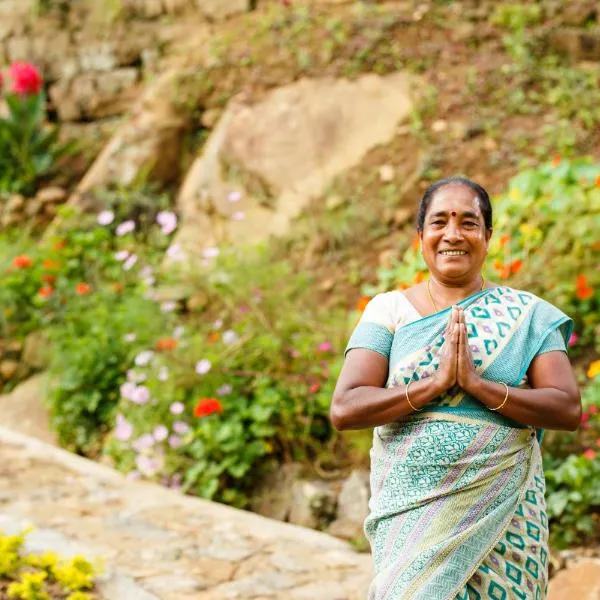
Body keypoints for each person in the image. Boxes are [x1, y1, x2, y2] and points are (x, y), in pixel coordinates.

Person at [330, 176, 581, 600]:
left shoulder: (528, 315)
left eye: (468, 222)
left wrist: (479, 386)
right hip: (412, 517)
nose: (453, 234)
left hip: (504, 519)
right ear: (421, 236)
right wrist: (434, 385)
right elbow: (346, 407)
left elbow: (566, 408)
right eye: (439, 222)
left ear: (487, 236)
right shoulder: (388, 311)